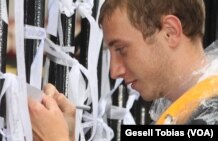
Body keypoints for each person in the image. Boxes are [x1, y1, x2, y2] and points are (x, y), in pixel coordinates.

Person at [28, 0, 218, 140]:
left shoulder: (210, 117)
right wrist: (71, 132)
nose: (114, 71)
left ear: (170, 32)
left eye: (121, 49)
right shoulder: (187, 113)